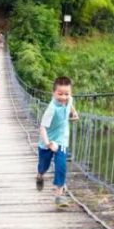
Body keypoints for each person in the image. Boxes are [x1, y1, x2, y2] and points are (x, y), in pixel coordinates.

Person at [35, 76, 80, 207]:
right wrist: (48, 143)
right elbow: (42, 128)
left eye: (67, 94)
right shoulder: (51, 109)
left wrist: (74, 113)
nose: (63, 97)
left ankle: (59, 195)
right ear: (53, 93)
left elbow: (70, 104)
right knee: (44, 166)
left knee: (61, 166)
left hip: (62, 140)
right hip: (46, 142)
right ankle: (39, 175)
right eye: (60, 94)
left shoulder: (69, 99)